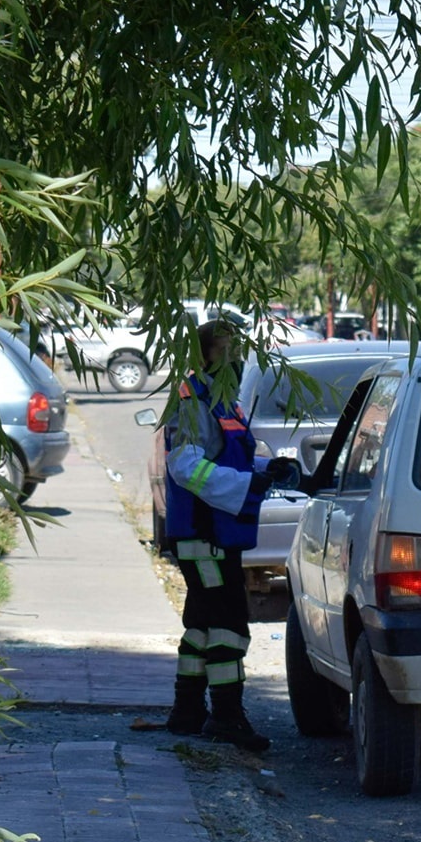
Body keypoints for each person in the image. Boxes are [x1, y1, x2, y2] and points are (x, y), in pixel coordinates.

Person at [160, 319, 299, 752]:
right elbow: (186, 467)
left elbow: (228, 461)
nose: (238, 362)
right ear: (206, 357)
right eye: (229, 353)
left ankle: (187, 712)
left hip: (217, 533)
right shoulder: (194, 403)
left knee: (202, 623)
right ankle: (227, 716)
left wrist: (265, 471)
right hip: (204, 534)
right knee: (228, 624)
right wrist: (247, 486)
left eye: (240, 354)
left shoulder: (222, 404)